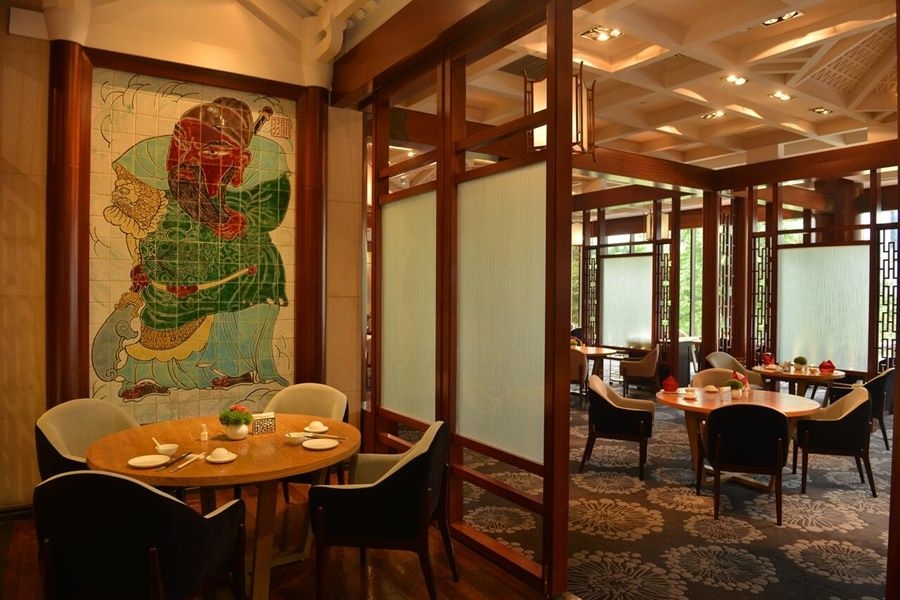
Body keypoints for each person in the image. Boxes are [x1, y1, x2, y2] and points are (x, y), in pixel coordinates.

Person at [92, 96, 290, 400]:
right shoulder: (170, 195)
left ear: (241, 161)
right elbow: (150, 233)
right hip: (170, 290)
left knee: (238, 309)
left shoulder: (248, 194)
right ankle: (146, 376)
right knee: (158, 323)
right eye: (181, 143)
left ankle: (235, 370)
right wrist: (147, 267)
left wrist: (243, 222)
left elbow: (268, 210)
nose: (189, 158)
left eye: (210, 150)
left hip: (235, 280)